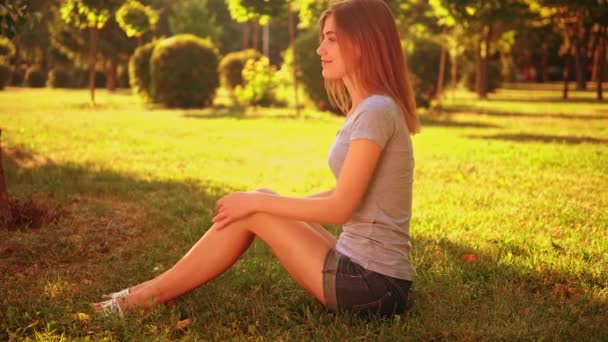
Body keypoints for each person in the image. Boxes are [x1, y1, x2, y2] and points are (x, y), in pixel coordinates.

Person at [92, 0, 419, 317]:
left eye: (331, 40)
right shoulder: (371, 109)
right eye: (322, 40)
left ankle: (146, 297)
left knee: (256, 207)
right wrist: (266, 203)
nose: (320, 50)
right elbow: (349, 196)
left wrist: (257, 207)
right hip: (374, 279)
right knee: (261, 199)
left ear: (363, 43)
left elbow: (340, 208)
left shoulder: (376, 111)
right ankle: (150, 290)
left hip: (371, 286)